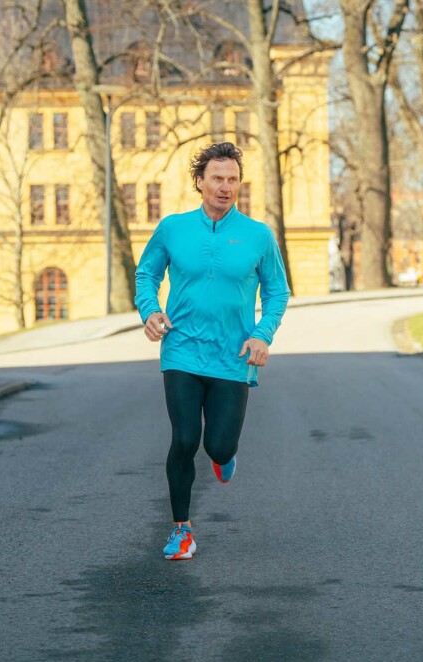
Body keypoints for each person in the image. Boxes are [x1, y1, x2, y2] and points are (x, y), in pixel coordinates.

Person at [134, 142, 290, 560]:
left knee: (218, 447)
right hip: (182, 349)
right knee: (184, 439)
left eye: (233, 179)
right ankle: (181, 530)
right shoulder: (172, 228)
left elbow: (277, 290)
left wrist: (263, 334)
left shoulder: (258, 235)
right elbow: (146, 273)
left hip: (233, 356)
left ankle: (225, 457)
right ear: (200, 182)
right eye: (217, 179)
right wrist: (149, 310)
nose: (225, 187)